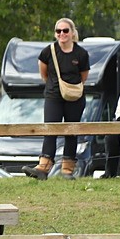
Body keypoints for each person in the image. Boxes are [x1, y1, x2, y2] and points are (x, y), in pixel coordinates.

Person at [23, 18, 91, 180]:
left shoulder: (81, 53)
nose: (62, 34)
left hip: (75, 96)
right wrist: (56, 86)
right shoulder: (48, 51)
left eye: (65, 30)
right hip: (53, 95)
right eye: (58, 31)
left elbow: (83, 76)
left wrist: (70, 88)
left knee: (71, 130)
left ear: (72, 32)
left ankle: (67, 169)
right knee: (50, 129)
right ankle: (43, 167)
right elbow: (44, 74)